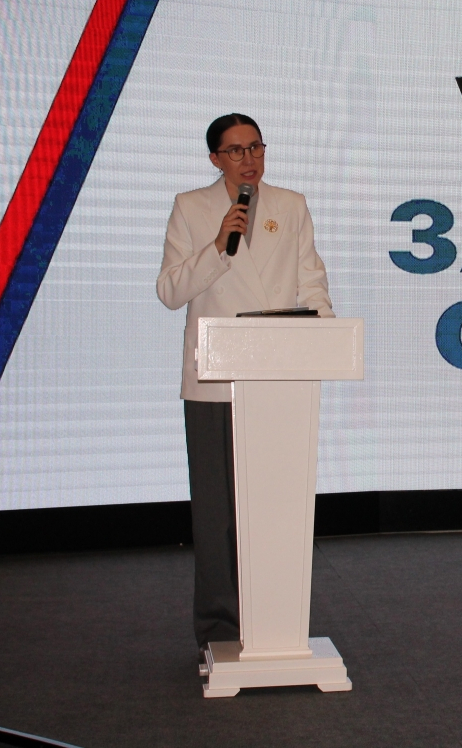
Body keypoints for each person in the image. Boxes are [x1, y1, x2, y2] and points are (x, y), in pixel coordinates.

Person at [156, 114, 334, 659]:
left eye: (255, 147)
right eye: (235, 151)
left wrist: (324, 335)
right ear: (215, 158)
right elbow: (170, 291)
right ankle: (218, 629)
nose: (248, 159)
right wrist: (217, 245)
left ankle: (274, 623)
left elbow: (311, 282)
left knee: (276, 509)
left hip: (278, 380)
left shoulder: (291, 205)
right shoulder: (191, 207)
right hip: (215, 382)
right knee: (217, 515)